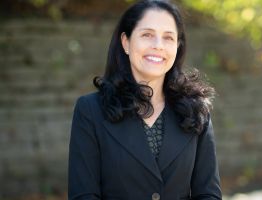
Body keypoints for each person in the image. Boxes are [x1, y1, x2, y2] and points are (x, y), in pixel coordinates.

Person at [68, 0, 222, 199]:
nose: (158, 46)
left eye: (168, 37)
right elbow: (83, 195)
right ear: (126, 42)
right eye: (147, 35)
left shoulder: (196, 110)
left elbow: (208, 194)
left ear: (177, 46)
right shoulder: (90, 110)